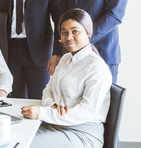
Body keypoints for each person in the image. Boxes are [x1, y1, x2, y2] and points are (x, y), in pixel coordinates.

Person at [22, 8, 112, 148]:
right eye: (64, 33)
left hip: (82, 133)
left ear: (88, 33)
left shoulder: (97, 67)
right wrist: (51, 106)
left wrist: (42, 113)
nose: (69, 37)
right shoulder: (65, 59)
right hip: (55, 124)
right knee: (16, 135)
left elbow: (86, 112)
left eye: (75, 31)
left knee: (24, 144)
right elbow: (48, 89)